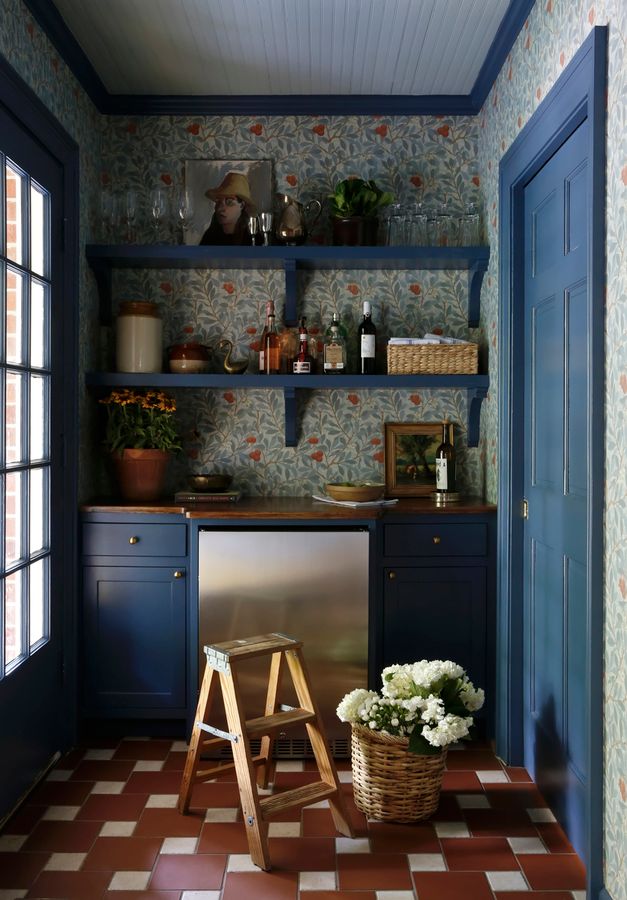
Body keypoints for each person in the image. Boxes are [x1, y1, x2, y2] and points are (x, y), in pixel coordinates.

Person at [199, 171, 258, 245]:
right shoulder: (210, 236)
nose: (220, 208)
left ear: (242, 205)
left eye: (229, 202)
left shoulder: (253, 237)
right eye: (218, 202)